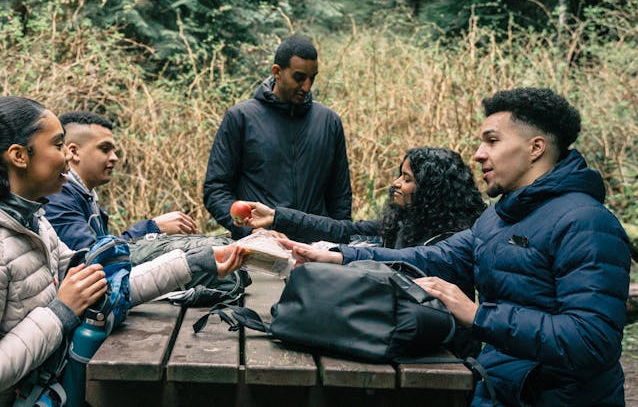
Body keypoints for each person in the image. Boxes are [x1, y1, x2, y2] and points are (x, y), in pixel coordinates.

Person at [280, 88, 631, 406]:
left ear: (535, 148)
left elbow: (592, 340)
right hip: (496, 386)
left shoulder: (587, 223)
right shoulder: (497, 219)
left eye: (492, 141)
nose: (478, 155)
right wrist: (338, 256)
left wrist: (479, 316)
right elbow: (434, 257)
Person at [0, 97, 246, 406]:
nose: (68, 157)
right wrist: (60, 312)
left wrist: (196, 263)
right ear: (19, 156)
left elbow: (101, 286)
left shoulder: (32, 222)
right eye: (58, 145)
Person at [203, 34, 353, 239]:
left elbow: (340, 196)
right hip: (259, 249)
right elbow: (216, 189)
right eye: (299, 78)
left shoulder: (329, 122)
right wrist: (250, 230)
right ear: (277, 72)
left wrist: (338, 243)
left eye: (312, 78)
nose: (307, 87)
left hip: (316, 251)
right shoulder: (241, 118)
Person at [239, 147, 486, 246]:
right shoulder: (404, 223)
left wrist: (332, 256)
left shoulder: (448, 240)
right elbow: (343, 230)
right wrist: (276, 216)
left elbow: (392, 262)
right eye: (399, 175)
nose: (395, 184)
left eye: (407, 179)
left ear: (432, 191)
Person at [45, 111, 198, 250]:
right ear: (74, 152)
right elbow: (94, 257)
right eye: (105, 149)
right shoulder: (58, 196)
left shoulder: (85, 197)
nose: (114, 157)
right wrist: (152, 228)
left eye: (114, 151)